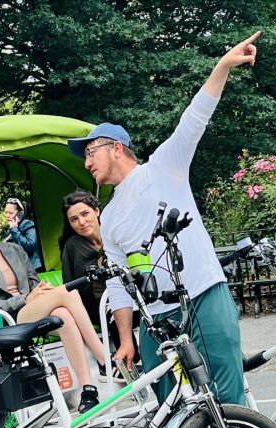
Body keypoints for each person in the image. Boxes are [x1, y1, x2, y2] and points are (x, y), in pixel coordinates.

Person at [67, 32, 261, 409]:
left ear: (116, 148)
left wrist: (222, 66)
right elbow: (121, 282)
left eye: (90, 152)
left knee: (228, 397)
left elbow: (195, 117)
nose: (87, 163)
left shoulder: (163, 167)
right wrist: (127, 338)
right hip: (156, 319)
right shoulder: (108, 216)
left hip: (204, 294)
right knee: (172, 411)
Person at [0, 198, 109, 413]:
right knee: (70, 293)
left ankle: (88, 389)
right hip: (7, 318)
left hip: (32, 309)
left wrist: (41, 291)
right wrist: (25, 299)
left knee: (63, 314)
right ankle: (106, 360)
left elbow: (33, 280)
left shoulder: (14, 249)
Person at [59, 190, 139, 363]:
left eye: (85, 214)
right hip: (95, 305)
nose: (81, 222)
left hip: (130, 294)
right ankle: (131, 364)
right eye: (74, 219)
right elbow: (70, 286)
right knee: (112, 310)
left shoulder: (114, 233)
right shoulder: (72, 246)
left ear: (96, 211)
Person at [4, 197, 44, 271]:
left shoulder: (28, 225)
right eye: (6, 212)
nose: (7, 215)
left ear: (20, 214)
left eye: (10, 213)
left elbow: (30, 246)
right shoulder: (11, 229)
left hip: (33, 270)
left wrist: (14, 229)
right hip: (20, 269)